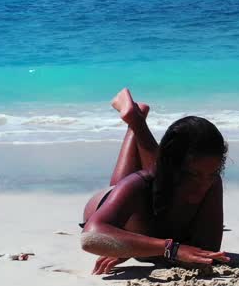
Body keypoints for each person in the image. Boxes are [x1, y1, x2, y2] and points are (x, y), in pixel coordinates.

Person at [81, 88, 229, 274]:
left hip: (158, 191)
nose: (203, 185)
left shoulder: (211, 181)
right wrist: (170, 248)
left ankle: (136, 120)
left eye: (212, 173)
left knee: (162, 179)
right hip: (108, 202)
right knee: (135, 185)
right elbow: (91, 236)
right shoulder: (141, 183)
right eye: (193, 175)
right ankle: (135, 120)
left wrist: (135, 246)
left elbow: (208, 250)